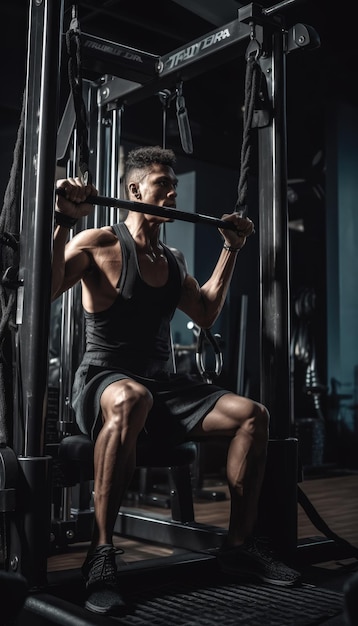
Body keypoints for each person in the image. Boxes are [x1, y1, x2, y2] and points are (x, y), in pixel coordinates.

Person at [52, 145, 301, 615]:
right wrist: (64, 219)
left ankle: (239, 547)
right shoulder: (98, 242)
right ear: (133, 190)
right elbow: (44, 287)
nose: (171, 192)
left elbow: (205, 312)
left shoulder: (172, 259)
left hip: (160, 387)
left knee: (253, 415)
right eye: (162, 184)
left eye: (174, 185)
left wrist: (231, 249)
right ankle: (100, 556)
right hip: (104, 383)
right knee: (131, 398)